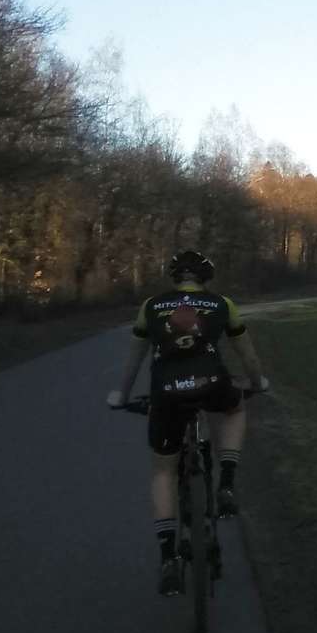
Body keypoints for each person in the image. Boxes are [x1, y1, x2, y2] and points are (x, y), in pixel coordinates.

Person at [107, 249, 271, 594]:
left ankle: (168, 557)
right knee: (235, 409)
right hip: (212, 384)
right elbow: (246, 353)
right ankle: (226, 483)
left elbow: (135, 357)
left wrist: (121, 395)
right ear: (205, 277)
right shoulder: (222, 304)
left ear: (174, 277)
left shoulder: (151, 306)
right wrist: (257, 383)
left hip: (166, 393)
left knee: (163, 471)